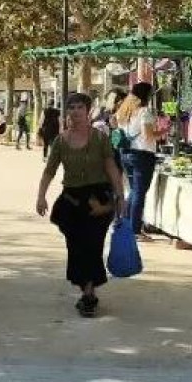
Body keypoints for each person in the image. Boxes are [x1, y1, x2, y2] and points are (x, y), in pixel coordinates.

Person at [36, 92, 126, 318]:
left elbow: (111, 168)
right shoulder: (60, 141)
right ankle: (85, 286)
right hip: (72, 201)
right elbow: (49, 171)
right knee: (76, 246)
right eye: (71, 107)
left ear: (88, 111)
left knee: (92, 245)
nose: (75, 112)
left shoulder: (100, 139)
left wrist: (120, 196)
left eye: (79, 107)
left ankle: (89, 294)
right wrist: (41, 196)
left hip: (98, 201)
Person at [115, 82, 158, 242]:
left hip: (126, 153)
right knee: (139, 192)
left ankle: (126, 224)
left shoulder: (124, 111)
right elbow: (148, 136)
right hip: (142, 155)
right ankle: (134, 230)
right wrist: (163, 131)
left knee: (133, 190)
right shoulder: (144, 112)